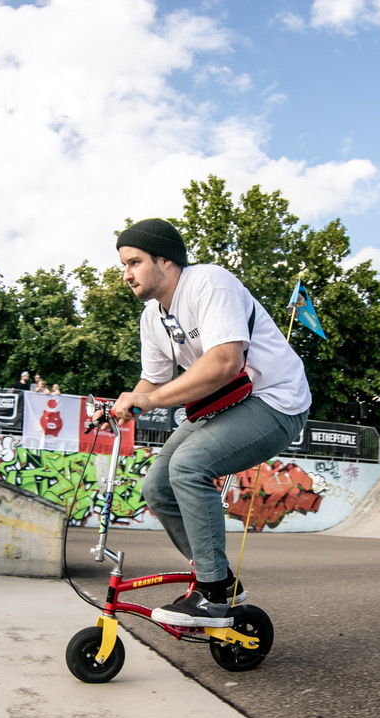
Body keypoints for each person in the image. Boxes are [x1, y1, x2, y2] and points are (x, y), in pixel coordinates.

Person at [110, 218, 310, 628]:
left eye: (133, 262)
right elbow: (155, 379)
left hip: (276, 401)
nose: (126, 275)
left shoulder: (209, 284)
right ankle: (219, 580)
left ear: (164, 260)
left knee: (188, 467)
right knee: (158, 487)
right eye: (123, 266)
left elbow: (224, 362)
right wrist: (126, 402)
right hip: (224, 406)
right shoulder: (152, 317)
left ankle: (213, 594)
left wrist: (149, 400)